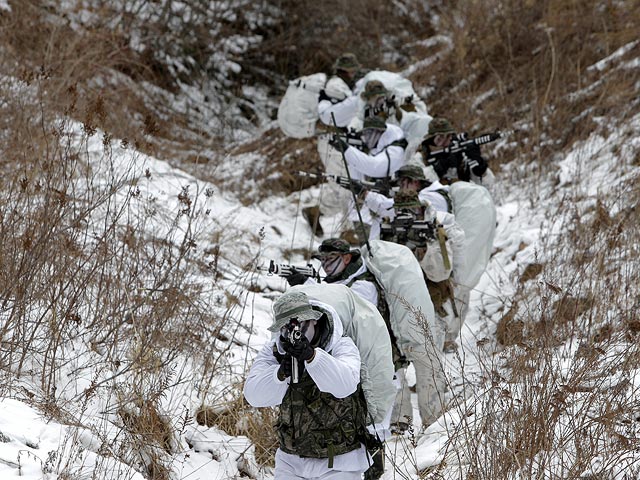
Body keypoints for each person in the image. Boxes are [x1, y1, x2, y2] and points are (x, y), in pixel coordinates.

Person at [244, 290, 371, 480]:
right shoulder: (274, 352)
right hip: (291, 460)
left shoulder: (341, 346)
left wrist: (312, 356)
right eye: (285, 328)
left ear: (314, 320)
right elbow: (253, 396)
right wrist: (279, 374)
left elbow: (344, 385)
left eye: (298, 325)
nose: (292, 333)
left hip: (340, 460)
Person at [420, 117, 488, 184]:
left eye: (449, 136)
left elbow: (484, 186)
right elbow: (417, 183)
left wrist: (478, 165)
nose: (445, 141)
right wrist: (436, 170)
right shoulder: (419, 157)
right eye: (439, 138)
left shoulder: (457, 153)